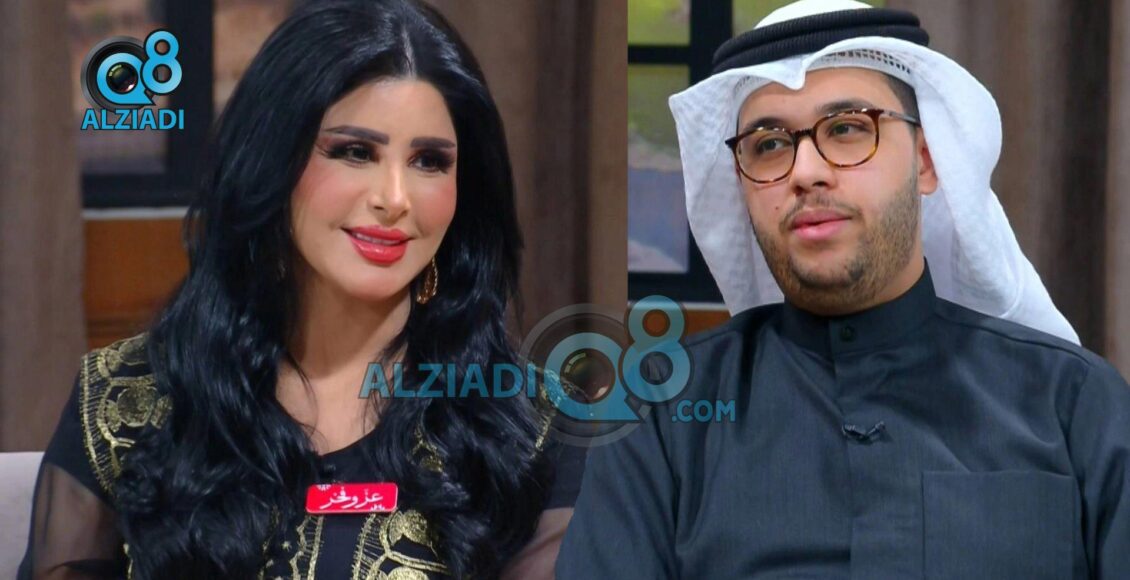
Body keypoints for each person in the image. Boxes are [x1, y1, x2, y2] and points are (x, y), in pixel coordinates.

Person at [558, 0, 1130, 578]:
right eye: (769, 144)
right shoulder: (663, 413)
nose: (806, 171)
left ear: (927, 162)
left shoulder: (1073, 405)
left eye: (848, 129)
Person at [19, 0, 583, 578]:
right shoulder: (123, 401)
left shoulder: (531, 425)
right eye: (355, 152)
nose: (395, 198)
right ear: (273, 160)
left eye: (429, 161)